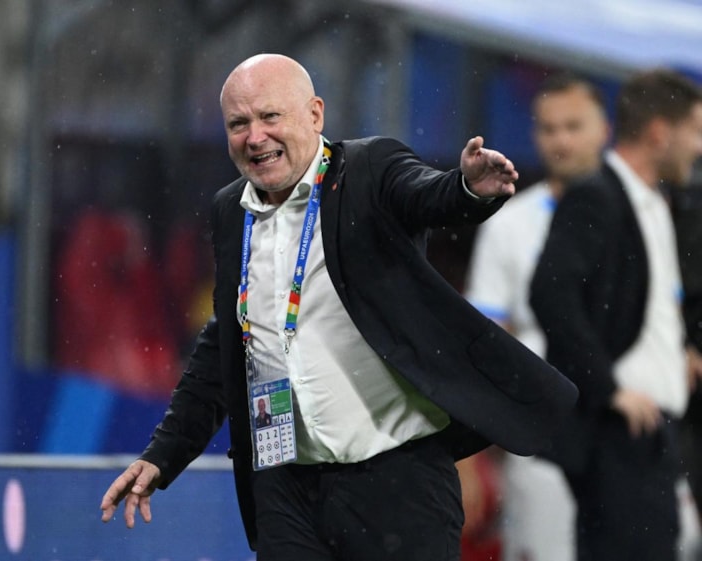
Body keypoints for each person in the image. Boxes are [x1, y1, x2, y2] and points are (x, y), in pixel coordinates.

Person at [99, 53, 577, 561]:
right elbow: (226, 346)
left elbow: (425, 194)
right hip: (286, 488)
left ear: (314, 115)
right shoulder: (229, 212)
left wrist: (465, 188)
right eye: (239, 124)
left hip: (397, 481)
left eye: (270, 116)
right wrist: (162, 456)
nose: (255, 136)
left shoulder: (369, 170)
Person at [530, 69, 702, 561]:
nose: (699, 147)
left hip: (651, 431)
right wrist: (608, 388)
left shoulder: (651, 202)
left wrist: (677, 351)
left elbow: (642, 305)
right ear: (659, 133)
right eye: (695, 131)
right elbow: (550, 294)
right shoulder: (597, 195)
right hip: (616, 431)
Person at [464, 72, 610, 561]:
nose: (561, 140)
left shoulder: (645, 212)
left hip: (631, 428)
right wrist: (469, 455)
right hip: (545, 431)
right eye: (550, 128)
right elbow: (485, 343)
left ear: (603, 129)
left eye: (574, 126)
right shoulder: (510, 222)